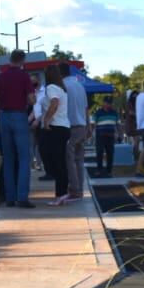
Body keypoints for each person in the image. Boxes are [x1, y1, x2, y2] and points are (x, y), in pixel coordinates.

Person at [0, 50, 36, 208]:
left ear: (10, 59)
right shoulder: (24, 76)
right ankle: (22, 197)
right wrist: (31, 99)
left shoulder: (1, 76)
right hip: (19, 116)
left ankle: (9, 198)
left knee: (8, 158)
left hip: (4, 117)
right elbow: (32, 99)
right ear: (22, 61)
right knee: (24, 157)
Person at [41, 64, 72, 205]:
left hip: (55, 127)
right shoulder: (62, 89)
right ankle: (63, 192)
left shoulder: (51, 88)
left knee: (53, 159)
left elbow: (54, 103)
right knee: (60, 160)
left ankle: (60, 193)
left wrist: (46, 120)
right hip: (64, 126)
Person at [61, 62, 89, 199]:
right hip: (82, 125)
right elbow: (85, 108)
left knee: (69, 159)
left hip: (70, 126)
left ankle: (74, 188)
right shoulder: (80, 86)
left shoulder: (63, 87)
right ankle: (80, 188)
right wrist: (88, 126)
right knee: (79, 159)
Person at [91, 95, 120, 177]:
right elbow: (93, 123)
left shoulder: (114, 113)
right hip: (100, 136)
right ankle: (99, 169)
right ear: (103, 103)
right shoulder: (98, 113)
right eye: (107, 103)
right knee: (99, 152)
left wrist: (119, 134)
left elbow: (118, 124)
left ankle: (109, 171)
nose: (108, 105)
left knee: (110, 153)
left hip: (110, 136)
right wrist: (90, 133)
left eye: (110, 103)